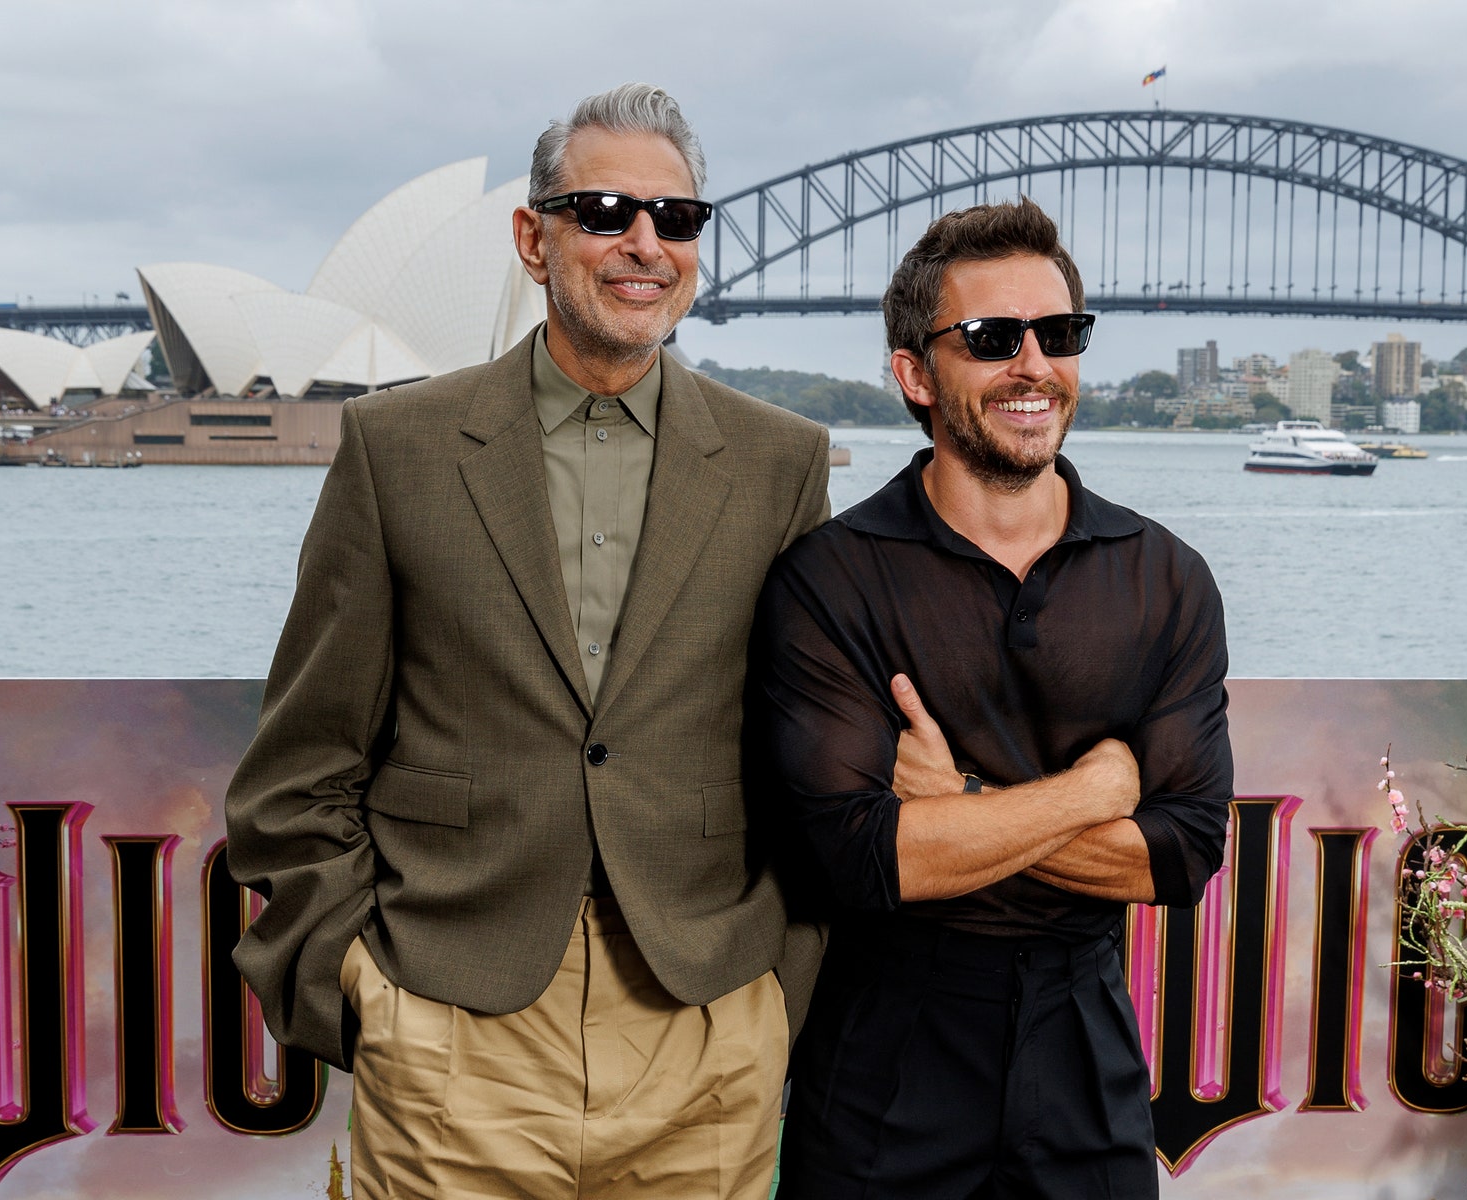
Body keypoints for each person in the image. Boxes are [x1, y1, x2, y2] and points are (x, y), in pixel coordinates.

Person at [225, 83, 832, 1200]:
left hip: (703, 1025)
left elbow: (805, 761)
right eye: (604, 211)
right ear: (532, 237)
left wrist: (773, 995)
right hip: (453, 1022)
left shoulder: (780, 463)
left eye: (677, 218)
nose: (644, 244)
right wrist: (367, 993)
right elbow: (299, 772)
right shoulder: (393, 449)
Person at [753, 198, 1232, 1199]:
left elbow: (1181, 854)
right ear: (914, 375)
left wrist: (953, 809)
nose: (1032, 364)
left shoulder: (1164, 577)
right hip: (888, 1053)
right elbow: (857, 857)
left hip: (1087, 1051)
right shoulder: (829, 580)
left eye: (1057, 335)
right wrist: (1095, 791)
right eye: (990, 338)